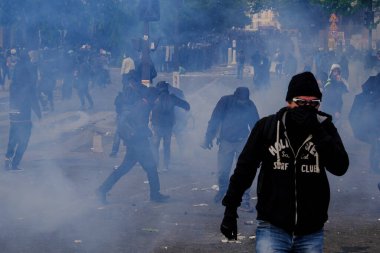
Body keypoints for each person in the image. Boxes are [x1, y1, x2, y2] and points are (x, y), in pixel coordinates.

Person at [220, 72, 349, 252]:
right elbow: (245, 169)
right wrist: (231, 209)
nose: (307, 108)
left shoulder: (325, 127)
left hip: (311, 229)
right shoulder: (268, 127)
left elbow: (340, 166)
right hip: (273, 226)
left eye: (313, 103)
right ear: (289, 102)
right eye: (301, 102)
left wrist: (317, 131)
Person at [96, 77, 169, 204]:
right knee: (151, 167)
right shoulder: (142, 106)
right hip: (138, 144)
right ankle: (155, 195)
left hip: (136, 144)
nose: (157, 101)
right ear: (151, 98)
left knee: (124, 169)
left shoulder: (143, 104)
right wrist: (145, 131)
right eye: (156, 98)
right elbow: (133, 123)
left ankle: (102, 190)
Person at [202, 87, 259, 211]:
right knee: (223, 171)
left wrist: (257, 145)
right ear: (235, 97)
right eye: (241, 101)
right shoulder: (225, 101)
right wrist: (208, 138)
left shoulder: (250, 105)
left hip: (242, 140)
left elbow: (256, 125)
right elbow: (215, 120)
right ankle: (223, 191)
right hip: (225, 140)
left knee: (245, 171)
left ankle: (245, 199)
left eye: (245, 101)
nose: (243, 104)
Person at [5, 50, 42, 171]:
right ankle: (15, 163)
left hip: (13, 113)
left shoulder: (14, 83)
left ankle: (7, 161)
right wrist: (39, 114)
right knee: (24, 140)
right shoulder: (28, 82)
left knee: (12, 138)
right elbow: (33, 99)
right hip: (24, 116)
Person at [151, 81, 190, 171]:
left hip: (157, 125)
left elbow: (146, 106)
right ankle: (166, 166)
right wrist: (187, 109)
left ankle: (156, 165)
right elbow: (186, 105)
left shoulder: (154, 97)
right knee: (166, 146)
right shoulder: (172, 97)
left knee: (155, 145)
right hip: (168, 126)